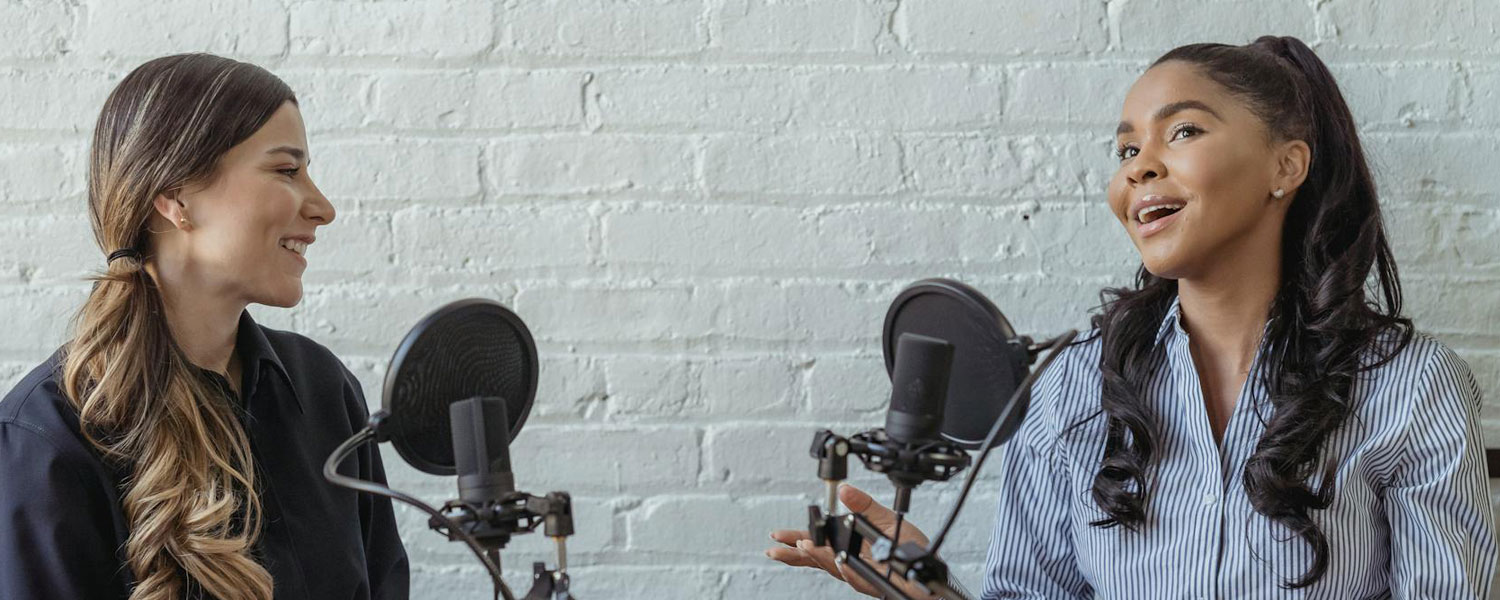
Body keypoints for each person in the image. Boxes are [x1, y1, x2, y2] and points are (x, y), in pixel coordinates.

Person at [767, 35, 1497, 599]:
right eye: (1126, 148)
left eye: (1181, 133)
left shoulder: (1411, 387)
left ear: (1287, 167)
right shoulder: (1070, 384)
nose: (1140, 166)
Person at [0, 54, 409, 599]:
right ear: (175, 197)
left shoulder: (323, 390)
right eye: (287, 170)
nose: (323, 208)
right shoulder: (45, 439)